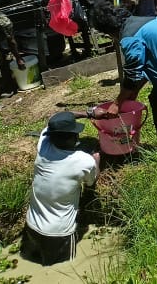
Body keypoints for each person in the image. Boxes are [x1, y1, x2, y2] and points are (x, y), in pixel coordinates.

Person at [89, 0, 157, 144]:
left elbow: (133, 74)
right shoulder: (137, 21)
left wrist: (117, 103)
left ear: (108, 32)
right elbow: (142, 68)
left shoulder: (129, 38)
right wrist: (132, 92)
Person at [21, 111, 99, 266]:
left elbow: (53, 118)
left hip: (31, 228)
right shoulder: (84, 161)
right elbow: (91, 182)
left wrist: (86, 114)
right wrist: (96, 160)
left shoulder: (43, 145)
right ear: (74, 138)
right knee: (64, 270)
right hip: (58, 235)